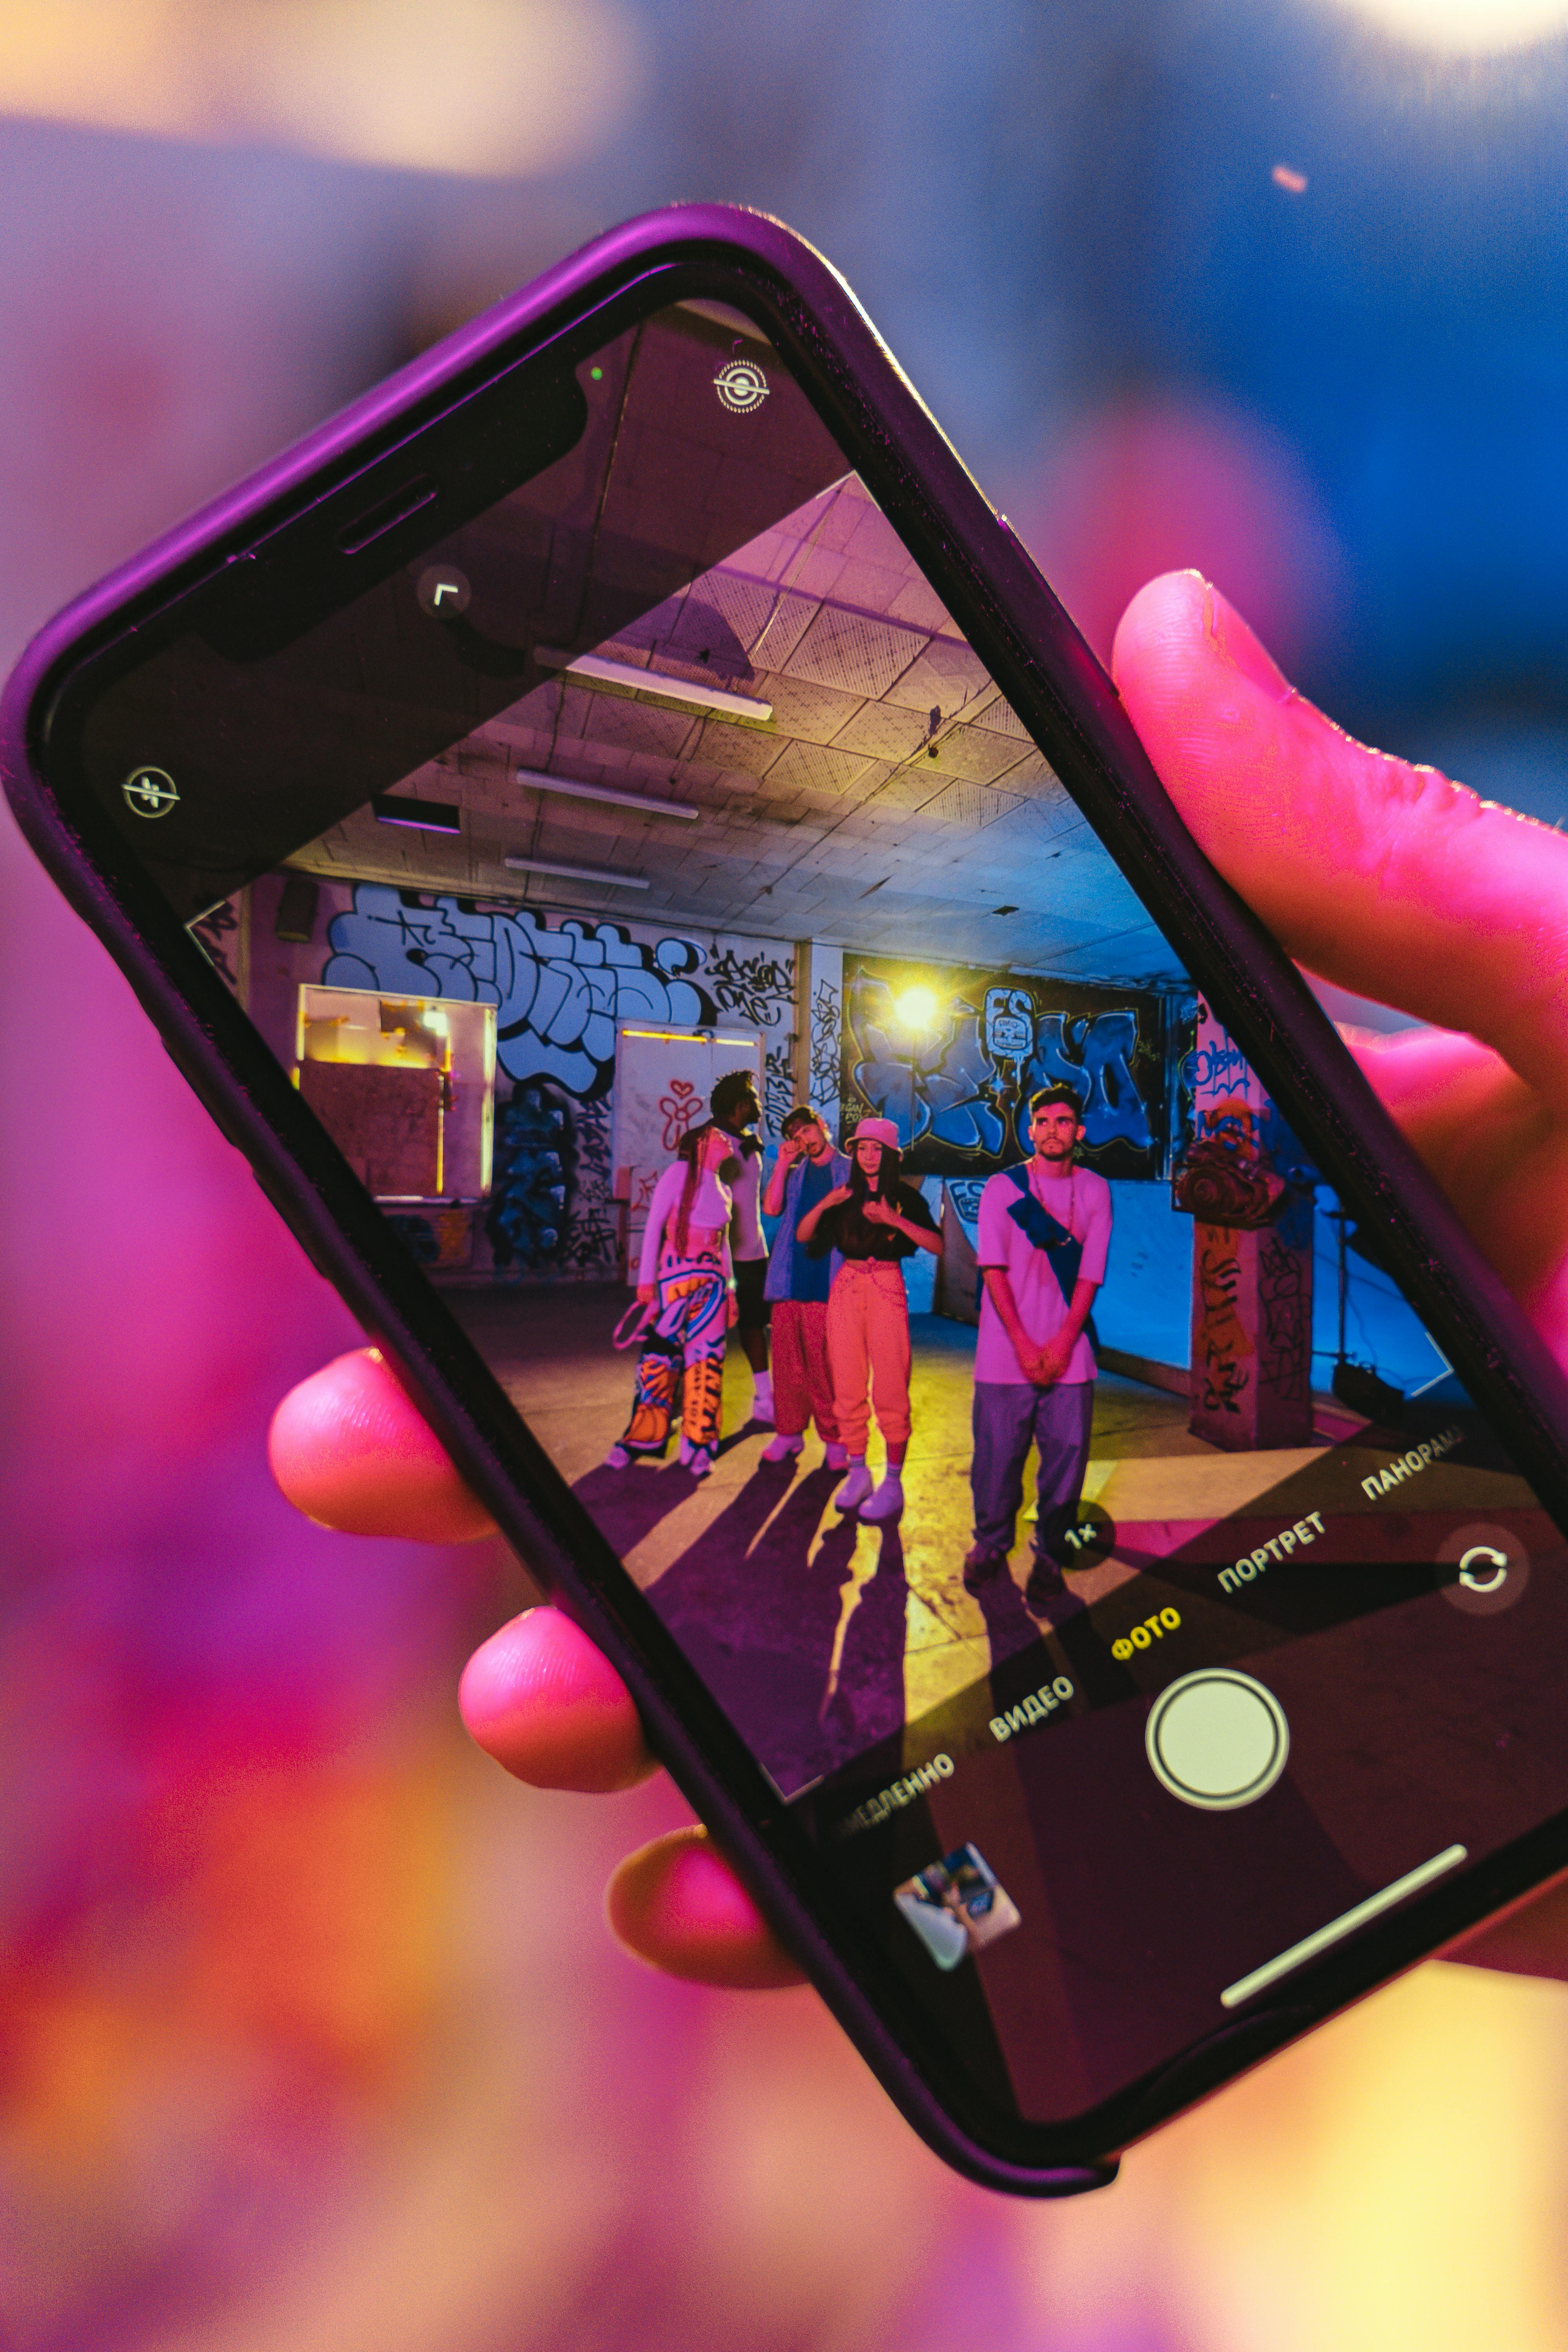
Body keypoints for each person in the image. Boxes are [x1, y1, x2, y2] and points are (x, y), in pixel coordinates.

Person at [267, 572, 1568, 1994]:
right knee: (850, 1458)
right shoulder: (793, 1187)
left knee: (957, 1439)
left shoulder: (947, 1186)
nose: (841, 1143)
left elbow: (953, 1252)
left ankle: (969, 1527)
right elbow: (788, 1245)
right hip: (872, 1331)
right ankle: (889, 1512)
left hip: (981, 1344)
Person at [966, 1083, 1112, 1615]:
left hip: (1070, 1354)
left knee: (1067, 1466)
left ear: (1080, 1130)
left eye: (1064, 1121)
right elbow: (994, 1271)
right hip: (1005, 1354)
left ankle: (1050, 1555)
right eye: (1044, 1121)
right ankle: (990, 1543)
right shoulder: (1003, 1189)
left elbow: (1090, 1276)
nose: (1054, 1130)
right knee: (998, 1461)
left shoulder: (1095, 1189)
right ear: (1031, 1130)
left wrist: (1062, 1344)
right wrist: (1028, 1347)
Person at [794, 1116, 941, 1522]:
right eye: (862, 1148)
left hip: (886, 1286)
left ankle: (892, 1483)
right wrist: (826, 1203)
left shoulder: (905, 1199)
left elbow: (939, 1244)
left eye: (877, 1148)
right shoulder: (845, 1194)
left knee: (892, 1385)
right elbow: (804, 1235)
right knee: (846, 1382)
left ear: (891, 1155)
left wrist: (895, 1222)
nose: (868, 1155)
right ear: (855, 1152)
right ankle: (858, 1474)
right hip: (846, 1285)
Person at [606, 1120, 739, 1480]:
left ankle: (699, 1445)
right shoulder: (677, 1175)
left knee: (707, 1361)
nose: (726, 1138)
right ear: (699, 1144)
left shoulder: (725, 1189)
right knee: (659, 1359)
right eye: (716, 1135)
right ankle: (640, 1440)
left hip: (712, 1286)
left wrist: (731, 1289)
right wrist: (646, 1281)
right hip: (673, 1282)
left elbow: (723, 1243)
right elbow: (654, 1228)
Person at [758, 1106, 851, 1468]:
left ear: (822, 1126)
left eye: (806, 1131)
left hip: (828, 1277)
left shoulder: (847, 1168)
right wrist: (782, 1164)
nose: (803, 1139)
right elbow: (771, 1208)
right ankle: (789, 1434)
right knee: (786, 1362)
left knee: (826, 1365)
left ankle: (834, 1439)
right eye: (795, 1136)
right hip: (789, 1274)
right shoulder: (796, 1174)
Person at [710, 1069, 772, 1425]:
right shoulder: (710, 1142)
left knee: (754, 1326)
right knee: (702, 1331)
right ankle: (677, 1403)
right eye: (754, 1097)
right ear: (740, 1104)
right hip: (715, 1257)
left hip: (752, 1254)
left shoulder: (748, 1141)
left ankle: (765, 1400)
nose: (759, 1103)